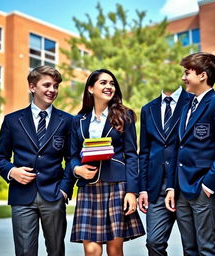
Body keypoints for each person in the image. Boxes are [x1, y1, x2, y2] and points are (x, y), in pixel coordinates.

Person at [0, 66, 75, 256]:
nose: (52, 90)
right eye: (47, 85)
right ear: (32, 87)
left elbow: (72, 159)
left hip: (54, 195)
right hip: (22, 197)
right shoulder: (12, 120)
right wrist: (12, 171)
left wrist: (64, 189)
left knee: (56, 251)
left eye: (55, 86)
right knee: (24, 252)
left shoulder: (68, 121)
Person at [165, 52, 215, 256]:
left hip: (201, 189)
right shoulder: (187, 105)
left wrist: (209, 184)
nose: (183, 77)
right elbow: (177, 149)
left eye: (187, 72)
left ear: (203, 75)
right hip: (181, 190)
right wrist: (172, 186)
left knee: (207, 249)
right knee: (189, 249)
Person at [70, 69, 145, 256]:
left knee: (114, 249)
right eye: (103, 83)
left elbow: (131, 155)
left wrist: (132, 191)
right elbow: (71, 156)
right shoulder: (78, 120)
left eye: (112, 83)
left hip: (117, 186)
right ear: (90, 88)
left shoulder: (124, 115)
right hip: (88, 187)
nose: (109, 86)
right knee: (91, 250)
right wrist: (77, 169)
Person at [138, 82, 192, 255]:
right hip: (156, 186)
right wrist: (143, 188)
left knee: (191, 246)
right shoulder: (148, 109)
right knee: (154, 243)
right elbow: (144, 151)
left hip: (184, 184)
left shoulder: (192, 102)